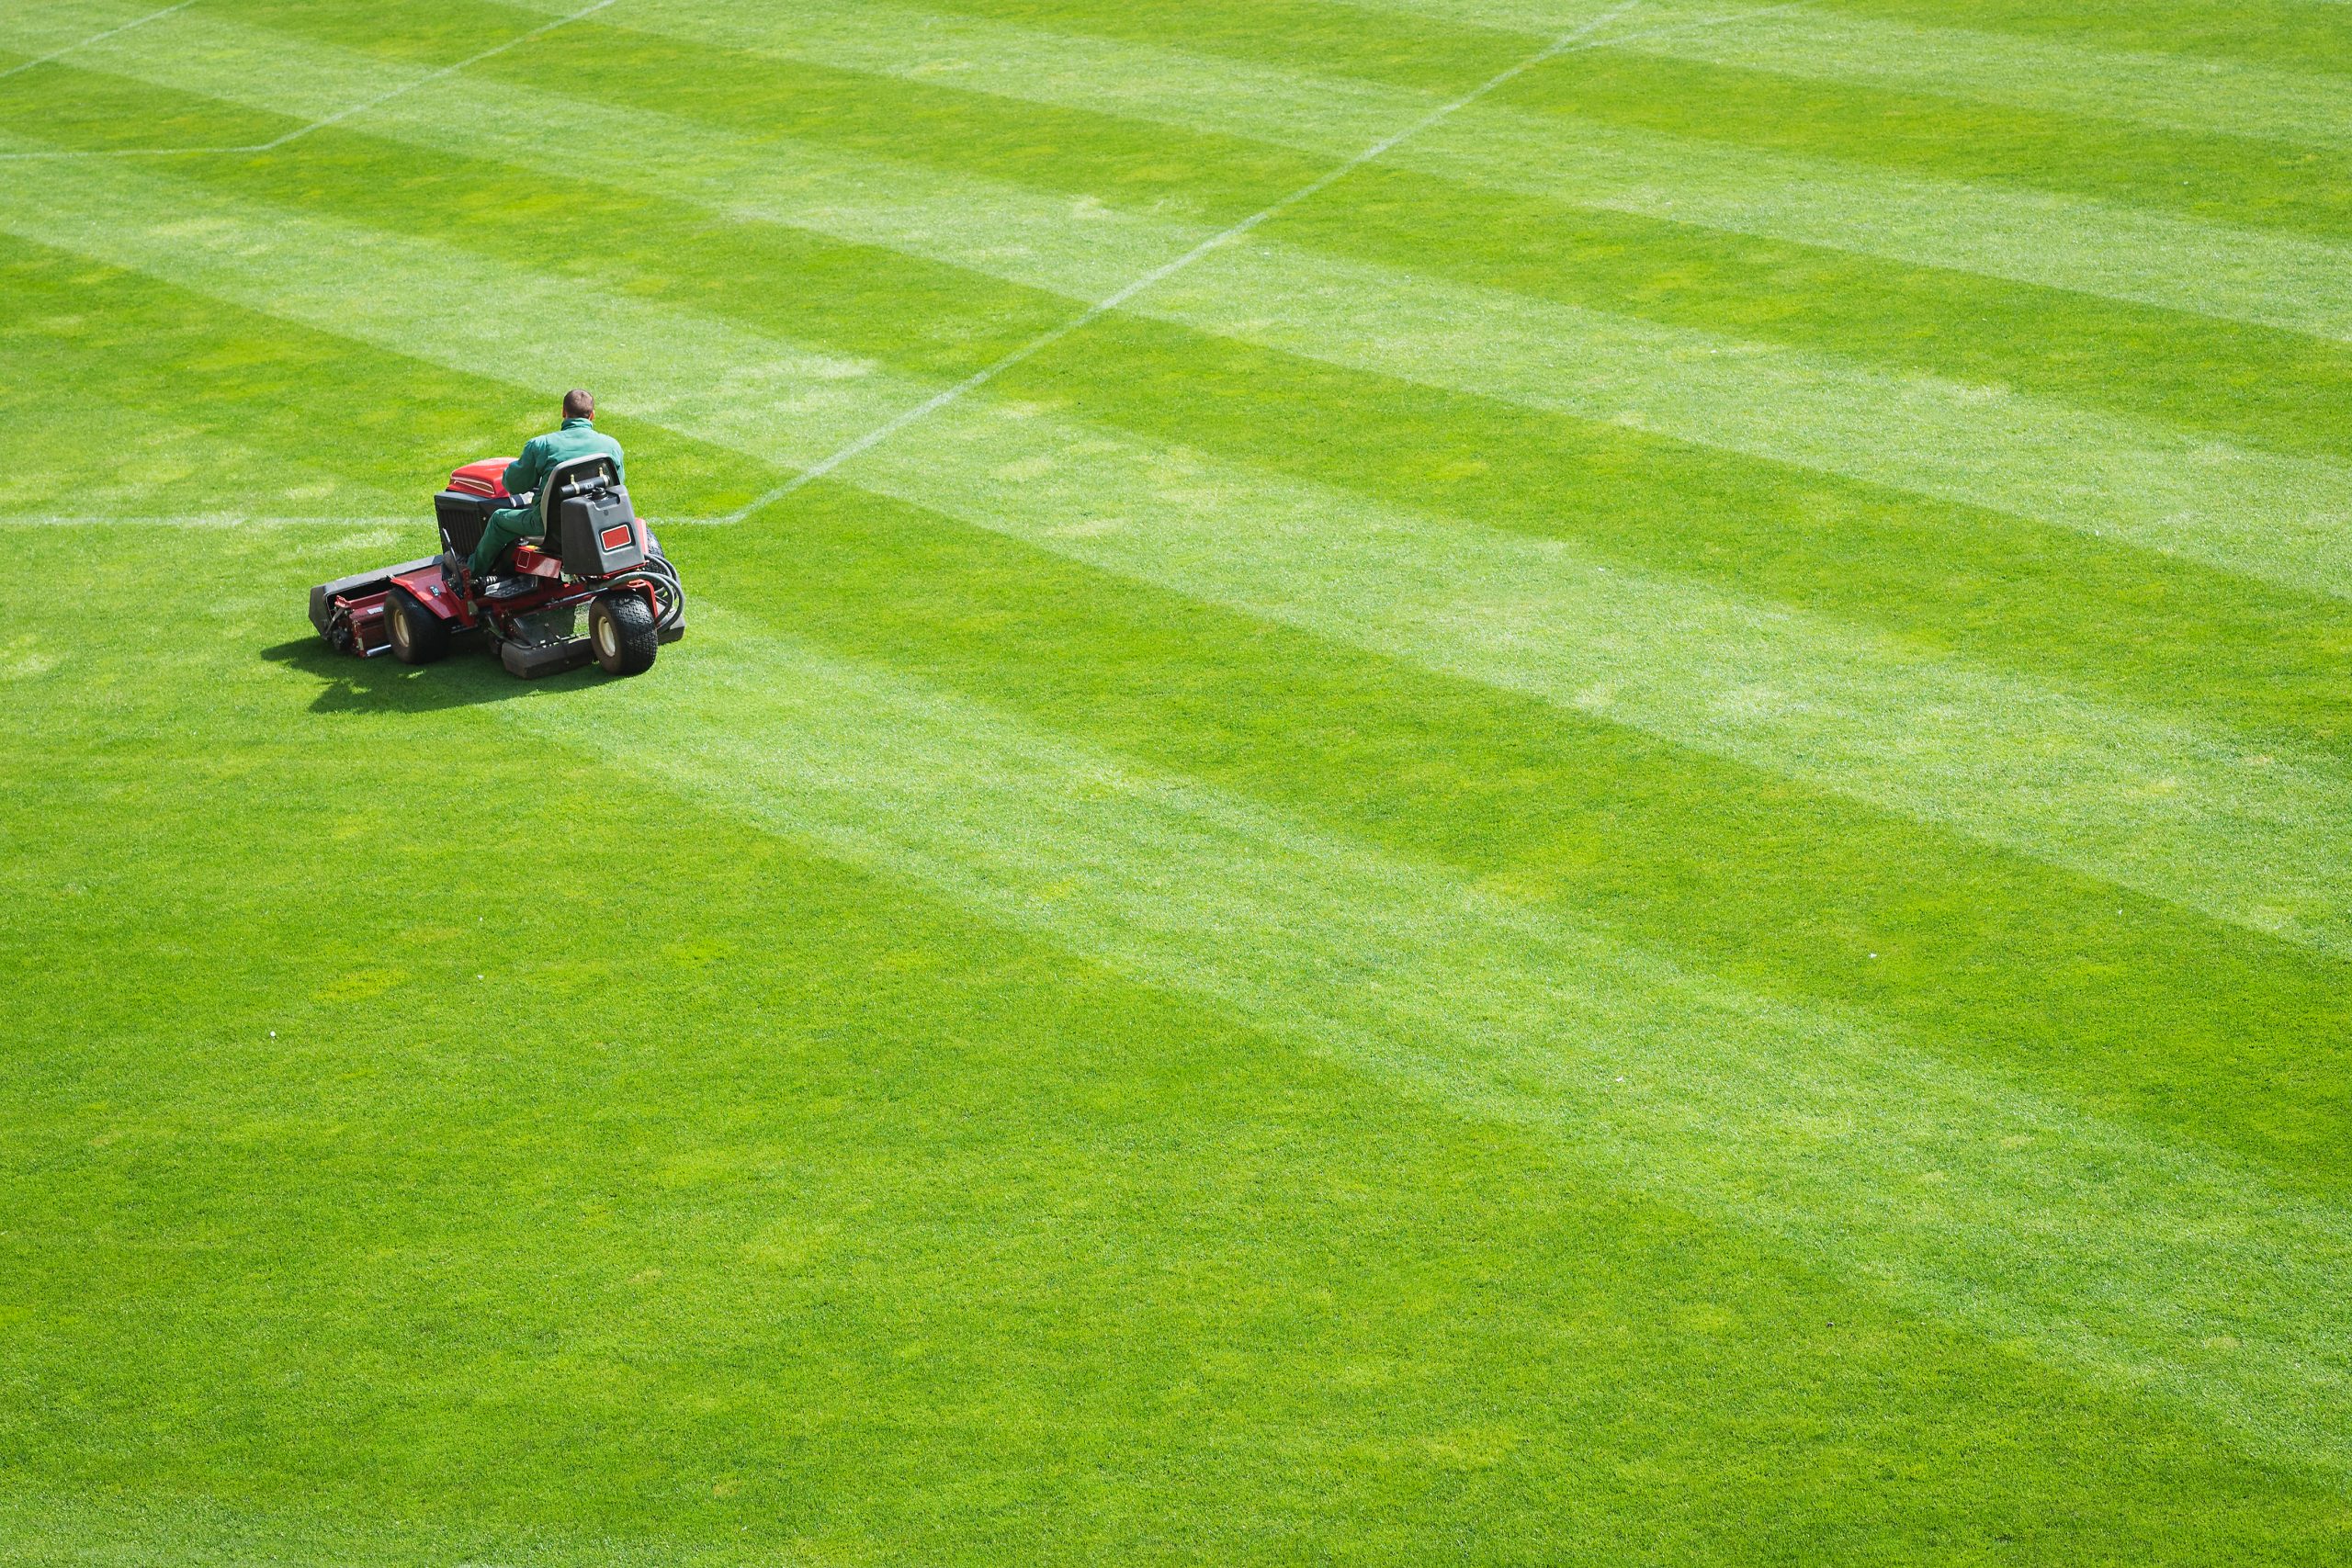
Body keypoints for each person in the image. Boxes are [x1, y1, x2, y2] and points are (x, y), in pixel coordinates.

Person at [449, 389, 628, 590]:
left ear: (563, 412)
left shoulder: (541, 445)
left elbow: (514, 485)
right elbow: (616, 486)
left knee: (498, 520)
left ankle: (471, 575)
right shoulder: (612, 446)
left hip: (549, 527)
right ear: (592, 415)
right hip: (598, 522)